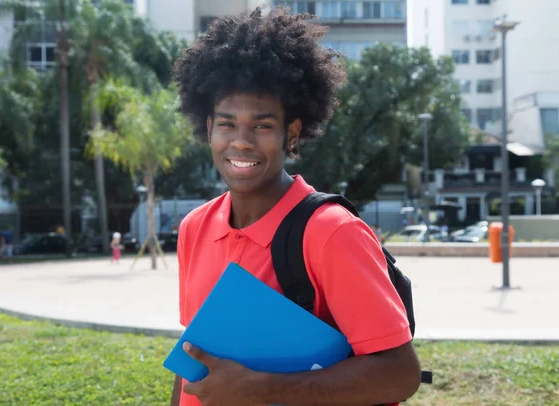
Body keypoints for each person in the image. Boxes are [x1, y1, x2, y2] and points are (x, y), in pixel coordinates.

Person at [171, 6, 421, 406]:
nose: (241, 141)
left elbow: (400, 373)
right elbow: (193, 361)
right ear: (208, 128)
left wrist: (262, 389)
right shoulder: (194, 227)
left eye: (263, 125)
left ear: (292, 132)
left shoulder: (332, 233)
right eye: (227, 123)